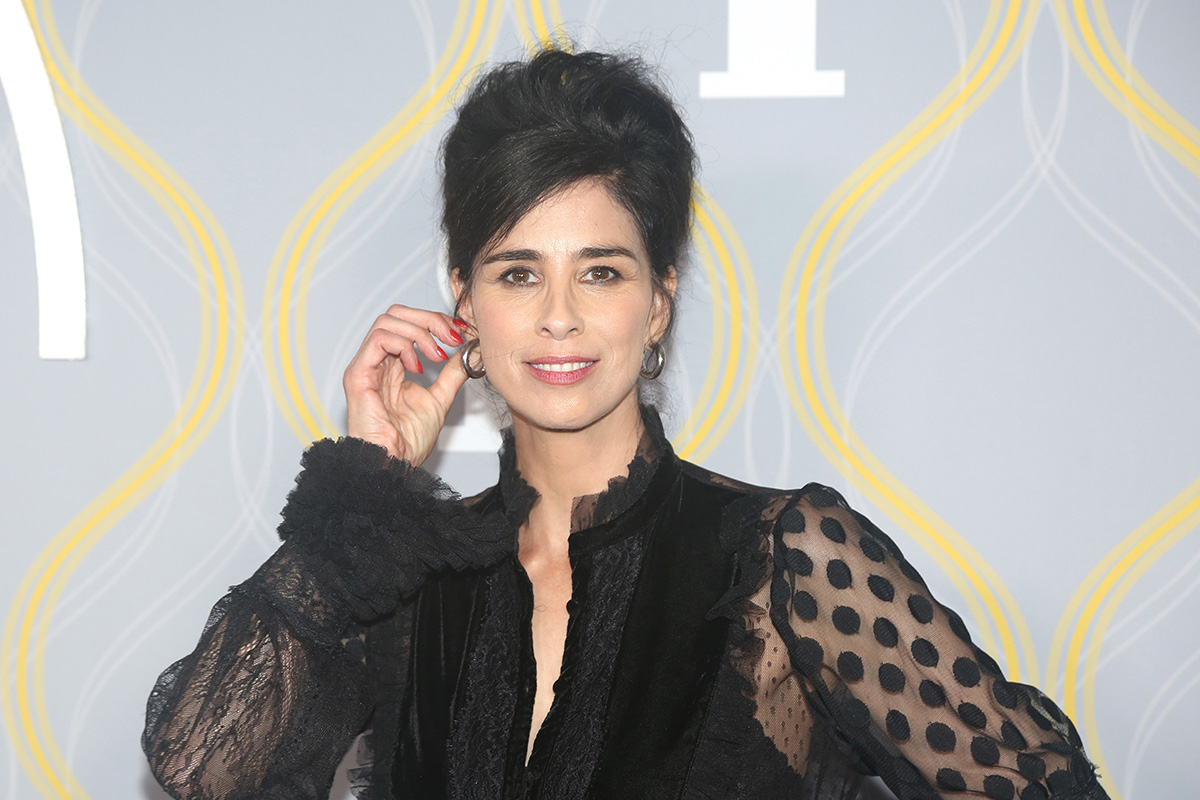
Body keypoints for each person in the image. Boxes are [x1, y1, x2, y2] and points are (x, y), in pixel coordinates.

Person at [142, 49, 1109, 800]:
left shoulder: (785, 559)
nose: (558, 314)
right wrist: (370, 477)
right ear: (464, 303)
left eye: (600, 270)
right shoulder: (409, 575)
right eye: (518, 272)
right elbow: (200, 763)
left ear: (657, 303)